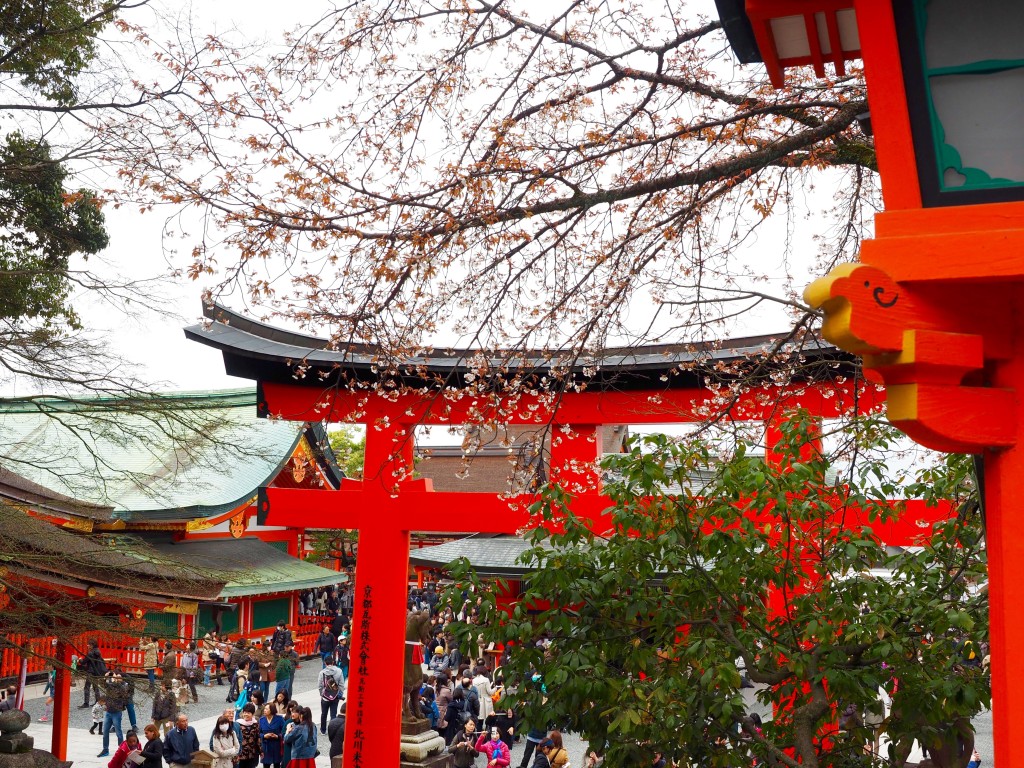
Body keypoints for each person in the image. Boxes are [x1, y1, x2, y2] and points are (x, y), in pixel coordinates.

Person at [98, 675, 127, 758]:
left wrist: (118, 682)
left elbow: (124, 693)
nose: (116, 678)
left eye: (118, 677)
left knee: (118, 732)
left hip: (117, 712)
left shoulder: (123, 686)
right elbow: (103, 684)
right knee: (105, 732)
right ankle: (105, 749)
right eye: (115, 677)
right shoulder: (111, 685)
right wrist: (105, 677)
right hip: (108, 711)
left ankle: (121, 750)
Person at [318, 657, 345, 734]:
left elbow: (320, 685)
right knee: (333, 713)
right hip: (335, 696)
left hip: (325, 696)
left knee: (324, 714)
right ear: (333, 662)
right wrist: (339, 694)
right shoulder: (339, 671)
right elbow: (341, 684)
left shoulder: (322, 673)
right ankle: (332, 730)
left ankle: (323, 730)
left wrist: (322, 694)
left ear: (325, 663)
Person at [80, 639, 107, 708]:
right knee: (95, 687)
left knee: (87, 687)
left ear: (92, 645)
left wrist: (80, 659)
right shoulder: (98, 652)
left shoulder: (90, 653)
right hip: (96, 672)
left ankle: (86, 703)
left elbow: (83, 662)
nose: (88, 645)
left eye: (89, 644)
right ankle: (98, 701)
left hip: (91, 672)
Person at [260, 703, 286, 768]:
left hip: (276, 745)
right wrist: (264, 736)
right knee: (266, 765)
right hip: (266, 746)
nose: (264, 710)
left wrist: (278, 736)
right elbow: (258, 733)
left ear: (271, 710)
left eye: (266, 709)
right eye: (264, 709)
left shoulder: (279, 719)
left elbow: (285, 731)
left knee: (277, 764)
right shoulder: (261, 720)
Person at [236, 704, 261, 768]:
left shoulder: (255, 724)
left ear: (252, 714)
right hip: (240, 754)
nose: (246, 714)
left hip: (252, 754)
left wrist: (261, 751)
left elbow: (258, 738)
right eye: (245, 712)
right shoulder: (238, 724)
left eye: (248, 713)